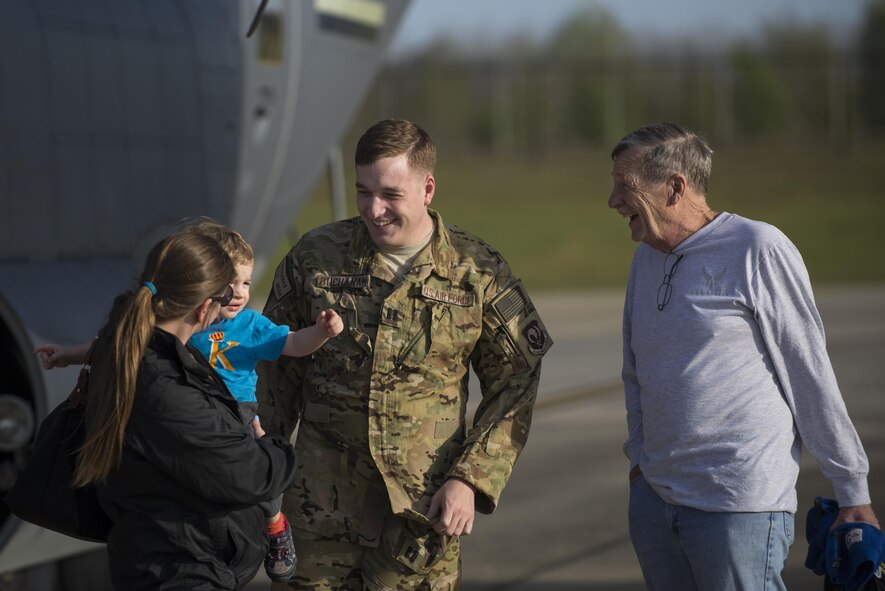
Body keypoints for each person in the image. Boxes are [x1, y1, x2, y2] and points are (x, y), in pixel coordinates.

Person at [257, 118, 553, 590]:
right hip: (318, 516)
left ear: (427, 187)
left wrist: (471, 480)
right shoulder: (316, 257)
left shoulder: (476, 271)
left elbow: (517, 379)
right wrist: (260, 476)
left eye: (390, 194)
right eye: (363, 192)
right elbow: (273, 370)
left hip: (419, 523)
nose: (374, 210)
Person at [607, 121, 880, 590]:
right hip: (655, 503)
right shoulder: (645, 258)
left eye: (624, 187)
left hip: (736, 509)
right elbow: (635, 371)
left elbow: (809, 373)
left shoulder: (758, 249)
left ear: (675, 187)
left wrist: (851, 488)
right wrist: (640, 463)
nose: (613, 202)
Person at [36, 220, 345, 583]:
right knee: (254, 482)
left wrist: (321, 334)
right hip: (187, 561)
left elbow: (292, 343)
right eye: (229, 286)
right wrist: (274, 450)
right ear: (204, 305)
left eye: (246, 283)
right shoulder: (168, 382)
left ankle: (275, 524)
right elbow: (255, 474)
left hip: (234, 417)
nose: (239, 294)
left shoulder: (150, 343)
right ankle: (270, 523)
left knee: (261, 496)